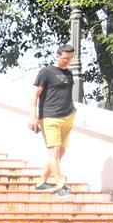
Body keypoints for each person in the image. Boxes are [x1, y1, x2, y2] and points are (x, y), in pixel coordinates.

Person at [30, 45, 76, 197]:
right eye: (65, 58)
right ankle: (60, 185)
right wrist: (33, 116)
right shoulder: (46, 72)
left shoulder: (69, 73)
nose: (68, 61)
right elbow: (35, 95)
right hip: (50, 117)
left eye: (71, 58)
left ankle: (41, 181)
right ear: (57, 56)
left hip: (67, 116)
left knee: (61, 151)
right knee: (54, 151)